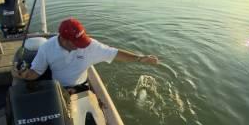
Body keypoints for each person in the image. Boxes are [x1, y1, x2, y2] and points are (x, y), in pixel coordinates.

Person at [12, 17, 159, 94]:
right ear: (63, 39)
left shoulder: (91, 45)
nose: (82, 45)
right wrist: (22, 74)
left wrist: (140, 58)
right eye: (76, 42)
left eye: (82, 39)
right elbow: (36, 72)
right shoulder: (46, 48)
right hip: (57, 89)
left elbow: (115, 54)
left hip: (81, 87)